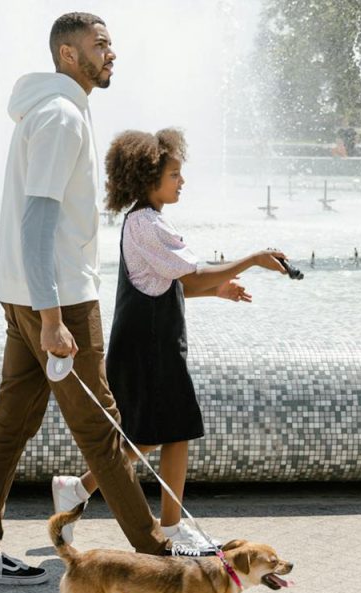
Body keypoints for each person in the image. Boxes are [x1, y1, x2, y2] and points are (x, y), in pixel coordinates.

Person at [0, 13, 173, 586]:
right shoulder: (59, 117)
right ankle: (156, 560)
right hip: (59, 300)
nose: (111, 54)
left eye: (111, 44)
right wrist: (53, 319)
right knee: (103, 430)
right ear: (69, 55)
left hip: (26, 295)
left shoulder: (54, 109)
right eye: (100, 45)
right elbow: (38, 221)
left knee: (9, 427)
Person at [52, 128, 290, 554]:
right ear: (149, 178)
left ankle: (79, 489)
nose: (182, 181)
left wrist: (218, 290)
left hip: (149, 345)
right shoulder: (146, 223)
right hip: (149, 348)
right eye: (174, 174)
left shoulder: (149, 221)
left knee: (154, 435)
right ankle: (172, 529)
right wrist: (253, 259)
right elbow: (191, 274)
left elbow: (173, 282)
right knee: (173, 431)